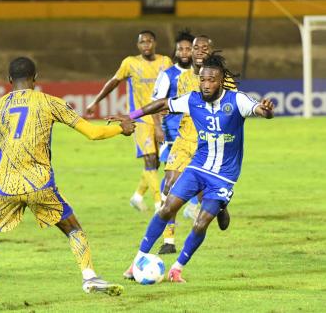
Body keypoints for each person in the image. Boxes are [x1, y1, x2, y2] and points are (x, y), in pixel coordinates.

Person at [0, 57, 136, 312]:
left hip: (5, 186)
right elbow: (93, 133)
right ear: (35, 78)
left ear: (9, 81)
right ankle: (89, 276)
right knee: (72, 228)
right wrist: (121, 130)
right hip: (40, 184)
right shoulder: (50, 102)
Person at [120, 52, 274, 282]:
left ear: (221, 81)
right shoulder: (193, 100)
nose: (206, 84)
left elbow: (260, 111)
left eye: (211, 80)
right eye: (202, 79)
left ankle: (177, 268)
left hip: (224, 177)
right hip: (198, 168)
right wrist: (131, 115)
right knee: (166, 208)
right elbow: (163, 103)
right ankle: (136, 261)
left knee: (201, 223)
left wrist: (267, 111)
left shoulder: (237, 100)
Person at [86, 30, 172, 212]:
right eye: (142, 42)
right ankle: (160, 206)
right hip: (139, 120)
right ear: (138, 45)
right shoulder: (130, 63)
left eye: (149, 41)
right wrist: (96, 101)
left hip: (162, 118)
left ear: (155, 43)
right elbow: (114, 82)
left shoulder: (165, 62)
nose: (146, 45)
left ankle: (137, 196)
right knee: (149, 160)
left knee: (156, 162)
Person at [153, 35, 215, 254]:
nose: (193, 52)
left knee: (205, 194)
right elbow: (166, 104)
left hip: (207, 142)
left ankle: (218, 207)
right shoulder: (177, 78)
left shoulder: (219, 77)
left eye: (199, 48)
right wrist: (160, 124)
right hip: (180, 138)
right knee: (169, 183)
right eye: (191, 48)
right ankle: (168, 241)